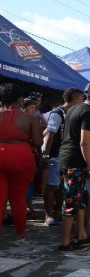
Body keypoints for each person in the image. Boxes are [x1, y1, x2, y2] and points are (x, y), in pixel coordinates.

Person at [58, 81, 90, 251]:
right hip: (73, 161)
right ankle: (65, 243)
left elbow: (81, 137)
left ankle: (81, 235)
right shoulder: (87, 112)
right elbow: (83, 143)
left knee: (79, 200)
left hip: (67, 158)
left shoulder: (75, 108)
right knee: (71, 202)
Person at [0, 83, 42, 240]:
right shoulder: (29, 119)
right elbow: (38, 143)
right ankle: (21, 233)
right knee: (18, 197)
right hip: (21, 156)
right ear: (19, 99)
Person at [42, 87, 84, 226]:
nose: (82, 102)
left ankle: (58, 213)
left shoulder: (72, 113)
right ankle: (48, 215)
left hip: (65, 156)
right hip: (55, 155)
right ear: (76, 99)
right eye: (81, 99)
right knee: (52, 186)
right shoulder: (58, 113)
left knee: (62, 187)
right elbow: (50, 134)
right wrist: (46, 155)